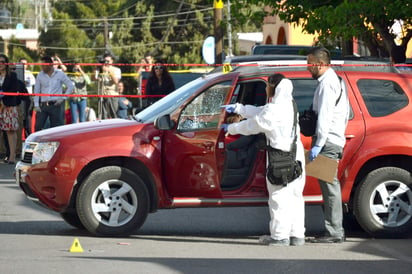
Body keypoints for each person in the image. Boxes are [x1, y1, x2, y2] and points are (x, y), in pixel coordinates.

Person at [222, 74, 306, 246]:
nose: (266, 88)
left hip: (279, 157)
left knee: (278, 197)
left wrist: (231, 127)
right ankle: (296, 235)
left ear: (275, 88)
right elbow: (261, 111)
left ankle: (280, 237)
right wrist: (240, 108)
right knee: (295, 196)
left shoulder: (275, 110)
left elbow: (255, 125)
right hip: (295, 155)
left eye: (268, 85)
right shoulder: (288, 104)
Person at [306, 47, 349, 243]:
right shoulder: (336, 80)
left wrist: (319, 144)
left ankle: (334, 232)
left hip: (327, 142)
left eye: (310, 63)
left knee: (330, 187)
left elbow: (324, 118)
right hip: (332, 139)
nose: (308, 67)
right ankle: (332, 230)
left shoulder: (327, 85)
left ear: (321, 64)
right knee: (327, 186)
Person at [0, 54, 28, 164]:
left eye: (3, 61)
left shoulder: (13, 76)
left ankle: (12, 156)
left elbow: (13, 91)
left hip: (9, 107)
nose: (1, 64)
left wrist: (3, 101)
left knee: (10, 131)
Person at [33, 55, 74, 131]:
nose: (42, 67)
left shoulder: (60, 74)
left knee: (56, 129)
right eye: (41, 65)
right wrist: (36, 104)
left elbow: (70, 86)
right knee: (38, 127)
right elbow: (36, 90)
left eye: (44, 65)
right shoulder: (40, 75)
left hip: (56, 104)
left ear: (50, 65)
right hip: (43, 105)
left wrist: (63, 98)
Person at [95, 53, 121, 119]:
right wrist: (96, 68)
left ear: (112, 61)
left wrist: (109, 71)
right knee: (103, 115)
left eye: (108, 61)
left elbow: (116, 81)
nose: (106, 63)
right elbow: (93, 78)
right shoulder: (100, 70)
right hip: (102, 94)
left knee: (114, 114)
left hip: (112, 94)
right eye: (105, 61)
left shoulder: (116, 69)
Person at [19, 58, 35, 137]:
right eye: (21, 63)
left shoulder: (29, 73)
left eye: (25, 63)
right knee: (19, 118)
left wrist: (23, 82)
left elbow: (32, 82)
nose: (23, 65)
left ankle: (28, 137)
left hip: (28, 98)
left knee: (28, 118)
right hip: (18, 98)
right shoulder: (15, 73)